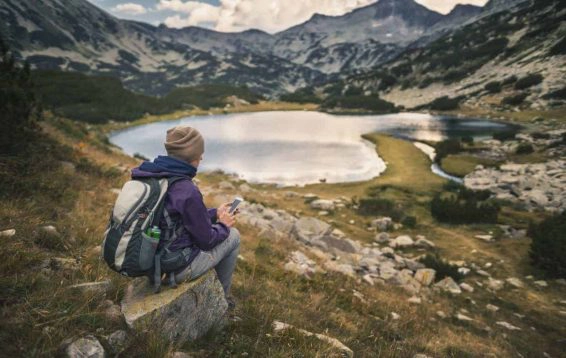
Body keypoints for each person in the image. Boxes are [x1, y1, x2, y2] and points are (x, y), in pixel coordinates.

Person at [131, 125, 240, 307]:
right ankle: (222, 301)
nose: (202, 157)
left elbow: (176, 217)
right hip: (174, 267)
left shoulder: (151, 175)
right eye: (199, 153)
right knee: (234, 236)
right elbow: (207, 240)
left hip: (148, 260)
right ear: (191, 156)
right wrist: (223, 225)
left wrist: (215, 214)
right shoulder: (186, 189)